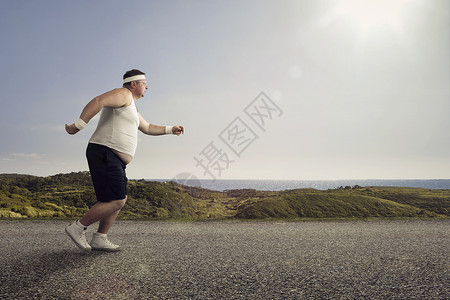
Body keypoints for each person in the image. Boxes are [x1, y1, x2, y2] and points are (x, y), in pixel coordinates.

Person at [64, 69, 184, 252]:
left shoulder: (132, 107)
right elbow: (98, 101)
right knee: (117, 200)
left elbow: (147, 127)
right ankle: (78, 227)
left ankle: (100, 238)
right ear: (134, 84)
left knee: (118, 198)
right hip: (104, 152)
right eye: (144, 83)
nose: (147, 87)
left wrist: (170, 129)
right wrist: (78, 126)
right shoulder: (124, 94)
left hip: (112, 157)